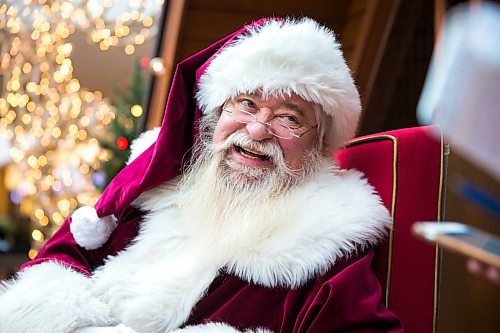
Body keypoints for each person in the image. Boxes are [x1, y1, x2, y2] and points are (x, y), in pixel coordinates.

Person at [0, 18, 403, 332]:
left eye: (289, 118)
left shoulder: (328, 243)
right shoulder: (151, 187)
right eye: (246, 103)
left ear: (317, 143)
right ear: (215, 115)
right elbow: (60, 259)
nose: (258, 130)